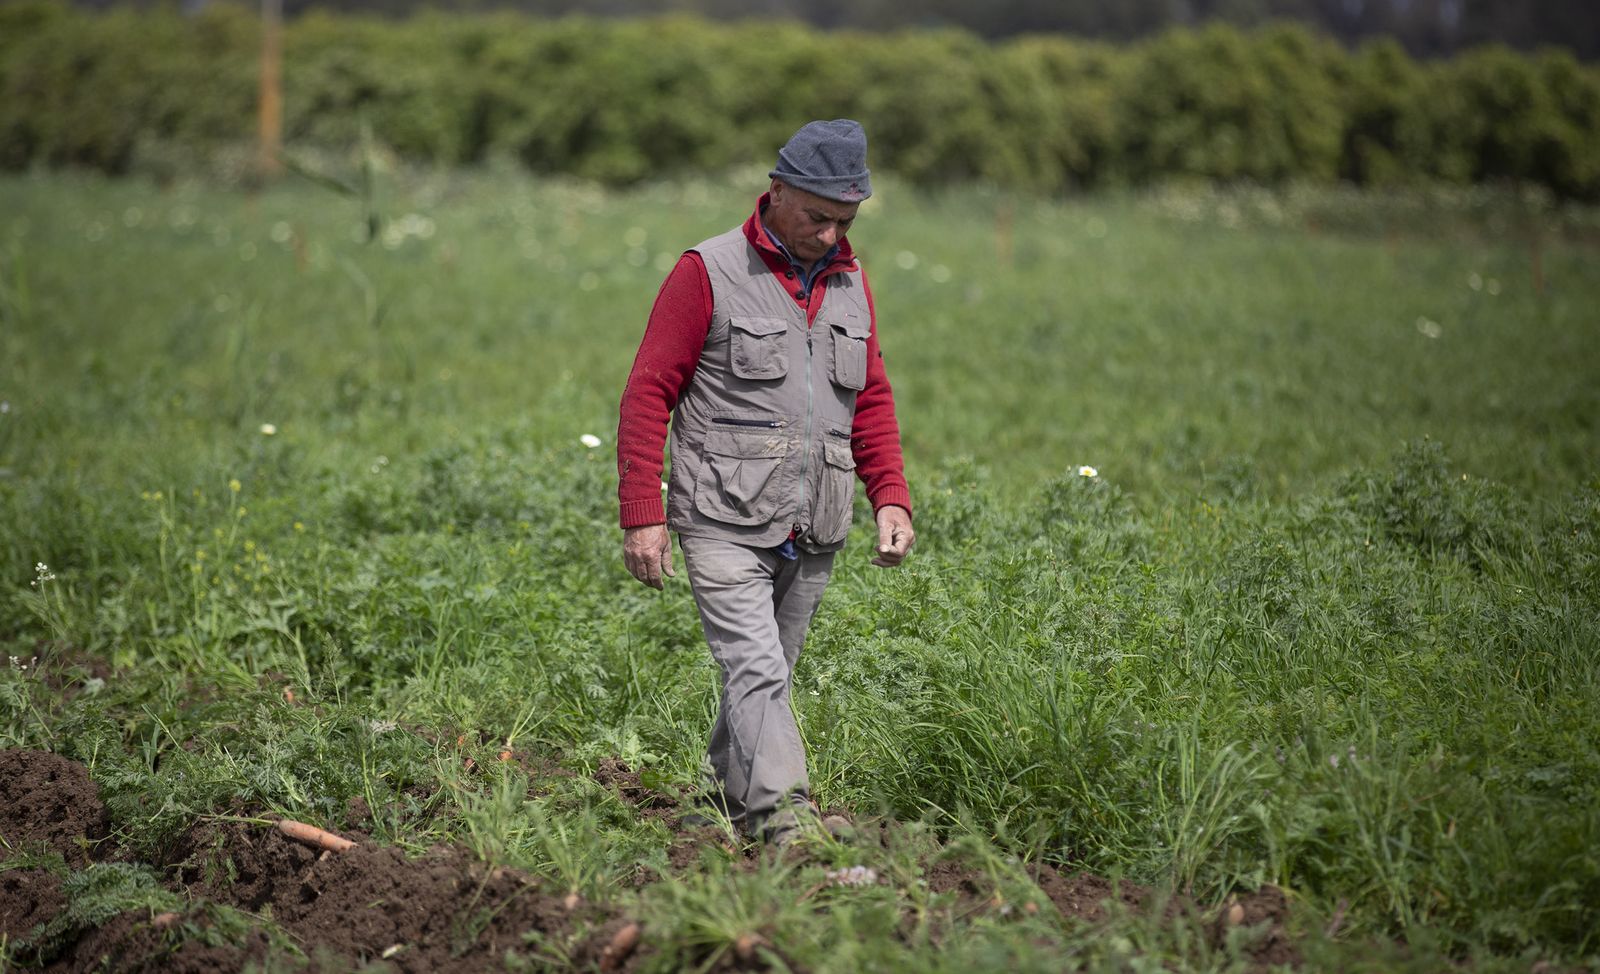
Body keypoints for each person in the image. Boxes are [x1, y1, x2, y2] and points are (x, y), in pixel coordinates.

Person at [615, 119, 915, 845]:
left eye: (843, 221)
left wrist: (892, 494)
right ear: (776, 191)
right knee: (755, 669)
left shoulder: (850, 279)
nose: (828, 235)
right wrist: (641, 510)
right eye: (816, 216)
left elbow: (869, 395)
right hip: (720, 515)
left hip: (814, 518)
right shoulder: (707, 270)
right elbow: (649, 390)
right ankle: (789, 821)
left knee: (768, 673)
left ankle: (724, 802)